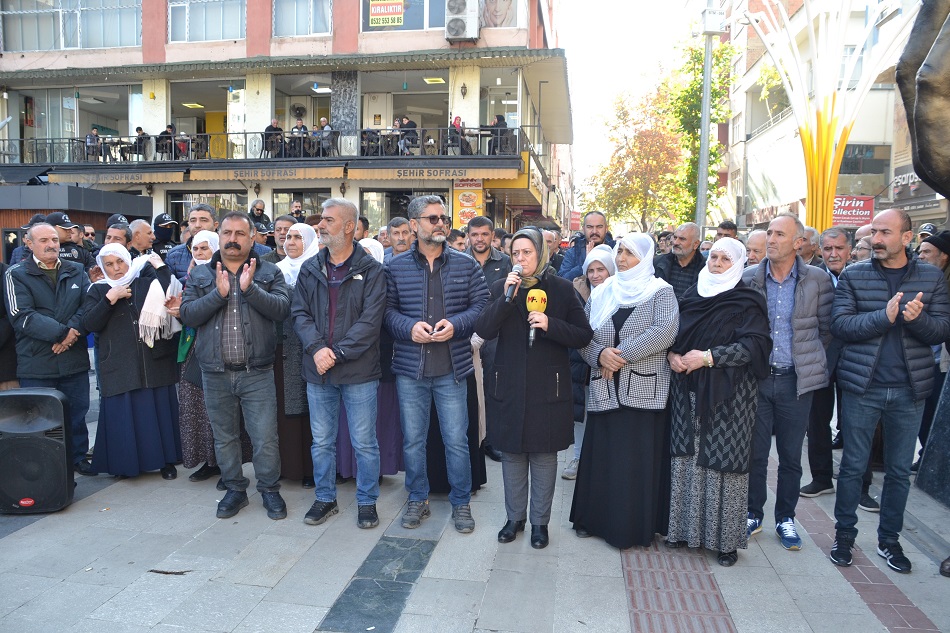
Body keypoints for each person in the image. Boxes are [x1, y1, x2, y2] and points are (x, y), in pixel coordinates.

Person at [829, 209, 950, 573]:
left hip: (909, 390)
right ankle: (843, 537)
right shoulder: (854, 274)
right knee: (852, 467)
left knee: (898, 472)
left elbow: (942, 330)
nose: (876, 239)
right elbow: (841, 325)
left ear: (907, 237)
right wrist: (884, 317)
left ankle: (889, 541)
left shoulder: (931, 277)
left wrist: (918, 320)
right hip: (861, 387)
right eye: (875, 232)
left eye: (885, 232)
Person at [474, 227, 592, 548]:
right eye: (515, 253)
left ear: (541, 253)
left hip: (548, 386)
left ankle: (540, 523)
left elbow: (584, 335)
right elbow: (483, 328)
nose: (521, 259)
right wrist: (505, 299)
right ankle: (514, 519)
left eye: (527, 252)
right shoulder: (502, 286)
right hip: (509, 383)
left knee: (543, 456)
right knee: (512, 454)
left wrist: (551, 324)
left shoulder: (562, 289)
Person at [384, 195, 489, 533]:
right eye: (433, 218)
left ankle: (461, 502)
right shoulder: (395, 266)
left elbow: (482, 304)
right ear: (414, 225)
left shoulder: (465, 264)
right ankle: (418, 498)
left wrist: (456, 325)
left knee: (456, 440)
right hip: (411, 370)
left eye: (443, 218)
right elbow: (386, 311)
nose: (441, 223)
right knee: (414, 440)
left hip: (452, 369)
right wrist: (408, 328)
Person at [665, 238, 772, 567]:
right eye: (713, 257)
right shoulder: (692, 295)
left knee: (724, 466)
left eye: (726, 259)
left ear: (738, 264)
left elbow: (755, 347)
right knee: (687, 460)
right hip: (687, 391)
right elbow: (674, 335)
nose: (717, 263)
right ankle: (684, 532)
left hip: (730, 396)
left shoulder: (748, 300)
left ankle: (725, 543)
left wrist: (709, 357)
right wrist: (672, 355)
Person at [179, 212, 291, 520]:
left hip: (257, 372)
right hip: (214, 372)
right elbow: (188, 315)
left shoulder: (269, 271)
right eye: (227, 233)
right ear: (219, 236)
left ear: (252, 237)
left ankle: (269, 489)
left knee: (265, 438)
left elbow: (282, 310)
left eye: (240, 233)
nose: (232, 239)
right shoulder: (202, 274)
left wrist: (250, 289)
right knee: (224, 437)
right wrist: (219, 294)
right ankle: (235, 489)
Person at [570, 233, 679, 548]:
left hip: (642, 390)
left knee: (634, 461)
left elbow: (664, 331)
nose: (622, 259)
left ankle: (630, 528)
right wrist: (598, 355)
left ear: (645, 258)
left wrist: (618, 357)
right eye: (620, 252)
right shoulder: (604, 290)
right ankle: (593, 520)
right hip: (604, 387)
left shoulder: (660, 291)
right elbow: (583, 334)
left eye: (630, 254)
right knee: (603, 456)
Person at [293, 200, 387, 528]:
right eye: (321, 219)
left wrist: (336, 354)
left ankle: (367, 501)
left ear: (349, 227)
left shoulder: (372, 270)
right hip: (318, 370)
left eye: (328, 220)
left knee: (364, 443)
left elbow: (371, 322)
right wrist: (318, 349)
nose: (321, 225)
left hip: (358, 371)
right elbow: (299, 313)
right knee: (321, 442)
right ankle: (325, 498)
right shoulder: (310, 268)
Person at [743, 213, 833, 551]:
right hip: (758, 378)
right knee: (755, 453)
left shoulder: (817, 280)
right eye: (769, 232)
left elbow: (826, 330)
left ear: (798, 242)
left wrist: (808, 362)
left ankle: (786, 518)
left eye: (780, 234)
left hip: (796, 381)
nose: (771, 239)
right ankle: (753, 513)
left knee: (791, 457)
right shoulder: (750, 278)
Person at [81, 246, 182, 479]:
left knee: (158, 412)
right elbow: (89, 324)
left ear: (129, 261)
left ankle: (166, 461)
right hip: (120, 365)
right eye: (109, 264)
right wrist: (109, 299)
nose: (116, 268)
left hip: (154, 362)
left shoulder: (145, 283)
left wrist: (161, 267)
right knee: (124, 416)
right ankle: (125, 466)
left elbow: (171, 290)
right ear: (102, 267)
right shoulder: (98, 290)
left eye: (120, 262)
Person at [5, 223, 92, 474]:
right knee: (39, 419)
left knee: (77, 414)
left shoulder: (77, 270)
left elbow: (88, 306)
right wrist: (63, 334)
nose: (51, 244)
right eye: (43, 240)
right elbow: (21, 315)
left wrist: (72, 333)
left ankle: (77, 458)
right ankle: (45, 467)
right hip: (37, 363)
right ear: (28, 243)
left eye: (54, 239)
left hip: (73, 360)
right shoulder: (16, 274)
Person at [174, 230, 253, 487]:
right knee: (200, 409)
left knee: (227, 414)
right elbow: (190, 313)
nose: (199, 253)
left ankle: (229, 467)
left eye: (204, 248)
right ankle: (209, 461)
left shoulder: (232, 274)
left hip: (225, 351)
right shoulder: (191, 277)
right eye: (195, 249)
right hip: (196, 351)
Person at [562, 244, 615, 480]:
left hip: (609, 362)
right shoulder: (574, 290)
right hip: (578, 361)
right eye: (590, 270)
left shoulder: (620, 291)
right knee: (580, 413)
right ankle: (578, 457)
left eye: (600, 269)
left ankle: (602, 460)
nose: (595, 275)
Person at [465, 215, 512, 463]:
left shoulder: (505, 262)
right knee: (469, 389)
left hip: (495, 336)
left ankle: (492, 441)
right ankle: (471, 439)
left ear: (493, 236)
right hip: (466, 333)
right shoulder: (458, 260)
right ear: (468, 236)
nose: (479, 239)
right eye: (475, 234)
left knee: (494, 388)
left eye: (484, 234)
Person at [914, 230, 950, 471]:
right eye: (920, 252)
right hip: (924, 360)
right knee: (925, 415)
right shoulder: (925, 280)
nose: (921, 256)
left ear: (943, 256)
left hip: (941, 362)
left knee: (936, 415)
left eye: (927, 251)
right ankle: (926, 458)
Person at [166, 204, 219, 283]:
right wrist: (188, 277)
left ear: (215, 225)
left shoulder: (228, 253)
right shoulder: (173, 255)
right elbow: (169, 287)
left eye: (203, 220)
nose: (197, 225)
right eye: (193, 220)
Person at [654, 222, 705, 299]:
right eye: (675, 238)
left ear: (696, 244)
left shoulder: (706, 268)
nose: (675, 242)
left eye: (682, 239)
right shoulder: (657, 263)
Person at [558, 211, 614, 280]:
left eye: (599, 227)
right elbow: (562, 280)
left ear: (606, 229)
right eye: (590, 227)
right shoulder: (573, 252)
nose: (594, 231)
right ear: (583, 229)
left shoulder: (615, 250)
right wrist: (585, 263)